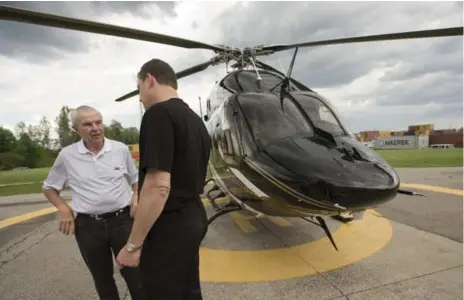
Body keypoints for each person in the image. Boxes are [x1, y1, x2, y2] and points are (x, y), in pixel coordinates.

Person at [116, 58, 211, 300]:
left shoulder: (158, 114)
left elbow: (158, 187)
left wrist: (132, 246)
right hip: (193, 217)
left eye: (139, 89)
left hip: (169, 226)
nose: (140, 98)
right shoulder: (194, 119)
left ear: (150, 80)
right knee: (188, 290)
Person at [42, 105, 145, 300]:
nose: (95, 128)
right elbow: (49, 187)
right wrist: (63, 208)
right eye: (87, 124)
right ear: (76, 129)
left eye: (98, 122)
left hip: (122, 221)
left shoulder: (120, 149)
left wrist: (136, 194)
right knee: (102, 279)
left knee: (136, 275)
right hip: (88, 227)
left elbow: (136, 179)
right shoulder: (67, 156)